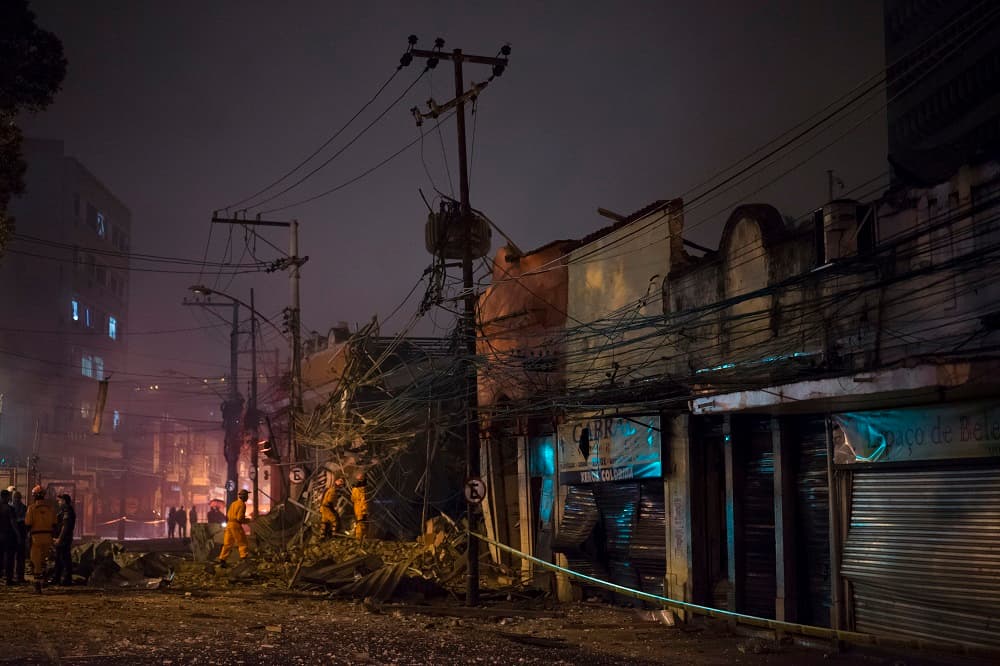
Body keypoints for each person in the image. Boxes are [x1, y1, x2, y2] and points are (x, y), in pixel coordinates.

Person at [24, 486, 55, 593]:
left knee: (36, 562)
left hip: (36, 537)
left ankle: (37, 586)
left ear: (34, 496)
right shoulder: (50, 508)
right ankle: (45, 580)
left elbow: (28, 524)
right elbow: (55, 524)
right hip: (48, 537)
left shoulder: (31, 508)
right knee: (44, 560)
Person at [217, 489, 250, 567]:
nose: (247, 497)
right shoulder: (242, 504)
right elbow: (239, 518)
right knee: (242, 542)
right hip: (236, 525)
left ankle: (222, 559)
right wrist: (247, 520)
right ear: (244, 497)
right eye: (247, 496)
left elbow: (228, 514)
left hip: (229, 524)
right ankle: (244, 558)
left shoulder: (234, 503)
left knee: (227, 543)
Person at [52, 494, 76, 586]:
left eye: (59, 501)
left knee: (64, 558)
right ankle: (57, 578)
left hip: (64, 539)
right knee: (59, 558)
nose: (58, 502)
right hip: (62, 539)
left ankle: (66, 579)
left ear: (64, 501)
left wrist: (59, 539)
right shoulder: (64, 511)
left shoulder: (67, 511)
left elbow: (65, 527)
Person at [0, 489, 20, 586]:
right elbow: (13, 523)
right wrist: (18, 535)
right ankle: (9, 578)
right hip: (8, 536)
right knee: (9, 558)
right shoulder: (9, 509)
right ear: (7, 497)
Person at [10, 490, 27, 584]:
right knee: (16, 557)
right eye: (15, 497)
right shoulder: (23, 508)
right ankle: (17, 576)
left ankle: (18, 576)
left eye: (17, 497)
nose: (16, 499)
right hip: (15, 536)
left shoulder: (12, 507)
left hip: (14, 535)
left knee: (18, 557)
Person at [351, 473, 368, 543]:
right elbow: (364, 501)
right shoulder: (362, 490)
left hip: (357, 509)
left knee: (360, 522)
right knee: (362, 523)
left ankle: (360, 537)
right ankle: (360, 538)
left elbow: (352, 499)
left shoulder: (354, 489)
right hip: (361, 509)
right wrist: (364, 509)